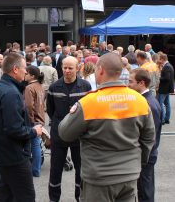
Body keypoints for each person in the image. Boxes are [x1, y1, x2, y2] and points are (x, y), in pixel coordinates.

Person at [58, 53, 155, 202]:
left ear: (101, 70)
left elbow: (64, 133)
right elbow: (148, 139)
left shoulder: (89, 102)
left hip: (99, 178)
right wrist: (136, 163)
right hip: (129, 175)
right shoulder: (140, 101)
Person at [0, 53, 43, 202]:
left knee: (7, 194)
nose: (26, 72)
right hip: (13, 155)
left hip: (2, 152)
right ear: (16, 69)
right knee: (26, 196)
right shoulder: (10, 92)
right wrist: (34, 131)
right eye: (24, 68)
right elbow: (14, 129)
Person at [47, 56, 92, 202]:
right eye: (64, 67)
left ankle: (80, 198)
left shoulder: (85, 86)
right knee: (55, 170)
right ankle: (54, 199)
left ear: (77, 68)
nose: (67, 71)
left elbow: (88, 110)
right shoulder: (54, 87)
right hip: (59, 134)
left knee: (81, 170)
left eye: (70, 68)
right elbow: (50, 110)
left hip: (79, 135)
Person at [129, 69, 162, 202]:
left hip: (145, 156)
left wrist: (141, 157)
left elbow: (149, 137)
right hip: (146, 154)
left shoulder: (147, 104)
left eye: (130, 82)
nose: (128, 85)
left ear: (141, 83)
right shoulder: (146, 100)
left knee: (145, 191)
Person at [24, 65, 46, 177]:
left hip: (33, 120)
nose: (24, 74)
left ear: (32, 75)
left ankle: (34, 170)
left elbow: (28, 106)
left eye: (26, 73)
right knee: (36, 145)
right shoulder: (40, 86)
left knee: (34, 145)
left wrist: (30, 121)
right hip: (40, 118)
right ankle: (36, 169)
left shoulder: (29, 88)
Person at [157, 53, 174, 124]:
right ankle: (167, 119)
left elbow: (167, 78)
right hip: (167, 88)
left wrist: (159, 78)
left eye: (160, 59)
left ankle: (163, 119)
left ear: (163, 59)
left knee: (161, 104)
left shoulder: (167, 67)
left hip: (164, 88)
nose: (159, 60)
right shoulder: (168, 65)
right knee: (167, 104)